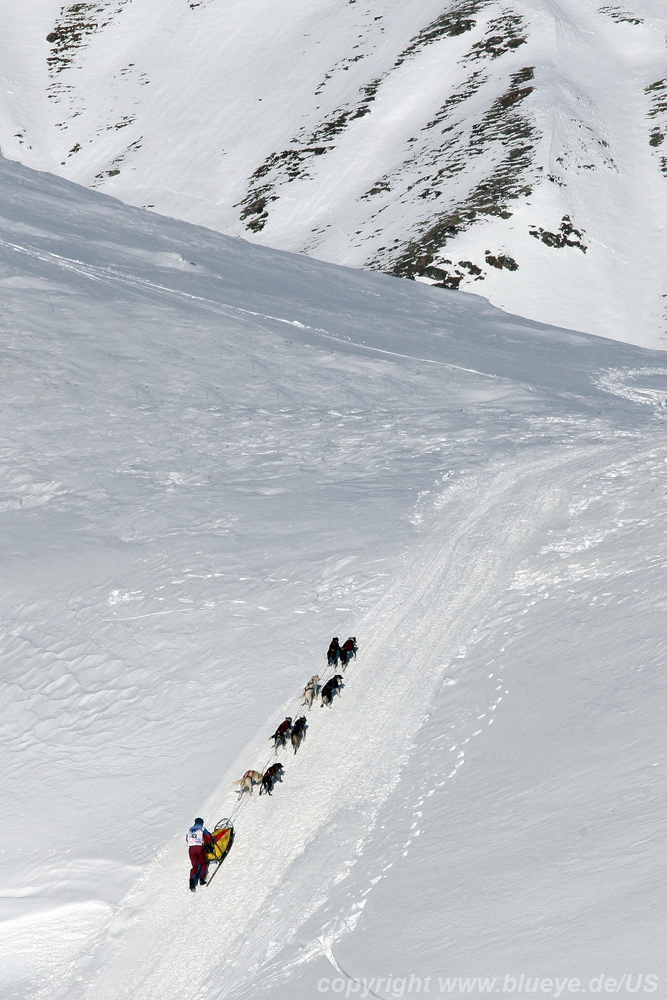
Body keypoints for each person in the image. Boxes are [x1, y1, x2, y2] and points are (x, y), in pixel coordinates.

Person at [186, 817, 212, 891]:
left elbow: (187, 839)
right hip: (199, 848)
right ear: (201, 823)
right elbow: (208, 838)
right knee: (203, 863)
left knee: (194, 866)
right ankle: (202, 879)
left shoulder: (189, 829)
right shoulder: (202, 828)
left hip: (191, 849)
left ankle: (191, 883)